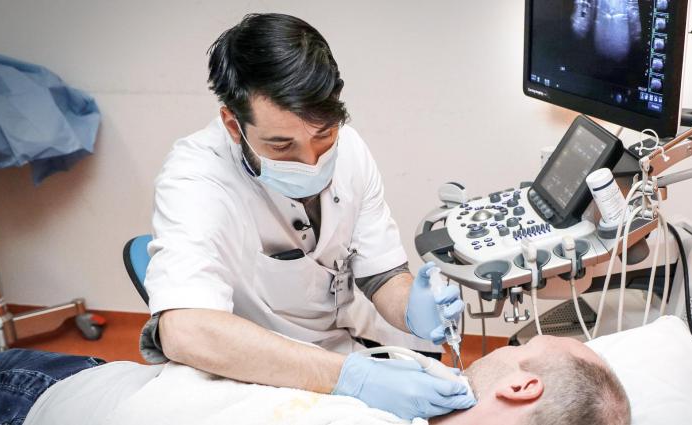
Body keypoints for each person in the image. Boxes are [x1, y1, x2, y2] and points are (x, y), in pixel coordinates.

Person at [137, 12, 472, 420]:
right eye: (281, 147)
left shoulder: (348, 147)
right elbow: (185, 330)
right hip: (269, 373)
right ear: (232, 124)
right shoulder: (196, 179)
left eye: (322, 136)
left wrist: (413, 307)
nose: (312, 162)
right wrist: (352, 378)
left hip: (353, 346)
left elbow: (380, 274)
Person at [0, 335, 630, 425]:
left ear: (521, 388)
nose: (503, 346)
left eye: (517, 348)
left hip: (32, 396)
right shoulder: (427, 384)